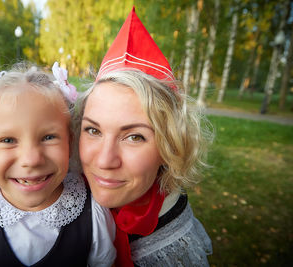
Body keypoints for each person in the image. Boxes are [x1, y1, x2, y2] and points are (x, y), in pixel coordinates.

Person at [0, 63, 116, 266]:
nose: (31, 160)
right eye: (8, 140)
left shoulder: (94, 216)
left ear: (69, 141)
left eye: (48, 137)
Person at [77, 7, 213, 267]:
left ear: (169, 146)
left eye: (134, 137)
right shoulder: (54, 198)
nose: (105, 161)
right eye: (93, 130)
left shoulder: (173, 252)